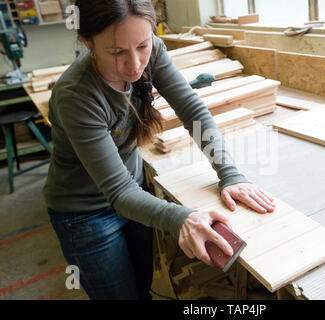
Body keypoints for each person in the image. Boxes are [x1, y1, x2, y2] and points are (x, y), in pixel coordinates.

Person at [43, 0, 275, 300]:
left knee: (144, 288)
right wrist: (182, 218)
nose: (135, 64)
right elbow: (118, 193)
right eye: (116, 53)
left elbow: (192, 110)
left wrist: (229, 173)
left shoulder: (150, 47)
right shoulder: (77, 96)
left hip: (135, 192)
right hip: (84, 214)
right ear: (87, 42)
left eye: (142, 46)